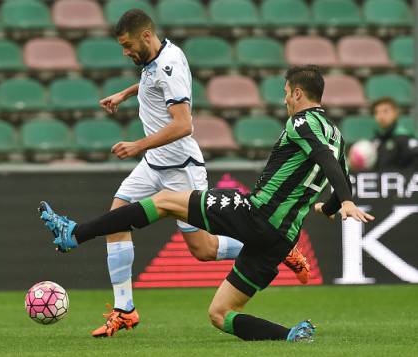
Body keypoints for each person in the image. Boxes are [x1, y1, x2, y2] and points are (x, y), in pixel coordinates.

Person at [39, 65, 375, 342]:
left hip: (255, 214)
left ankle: (76, 233)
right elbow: (336, 172)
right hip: (282, 238)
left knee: (165, 202)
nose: (284, 98)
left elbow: (324, 163)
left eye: (286, 91)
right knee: (219, 315)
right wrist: (331, 208)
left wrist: (343, 200)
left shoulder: (301, 122)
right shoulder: (336, 135)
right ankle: (290, 335)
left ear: (298, 93)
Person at [71, 9, 309, 337]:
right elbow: (152, 80)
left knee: (203, 250)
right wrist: (126, 94)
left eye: (127, 45)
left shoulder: (168, 66)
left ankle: (279, 249)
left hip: (181, 167)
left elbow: (184, 125)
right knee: (117, 218)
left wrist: (138, 145)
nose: (125, 52)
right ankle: (124, 309)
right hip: (154, 163)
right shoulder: (159, 57)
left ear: (145, 36)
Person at [372, 97, 418, 169]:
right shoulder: (376, 140)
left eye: (385, 111)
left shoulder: (404, 138)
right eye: (377, 112)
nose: (381, 116)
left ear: (395, 113)